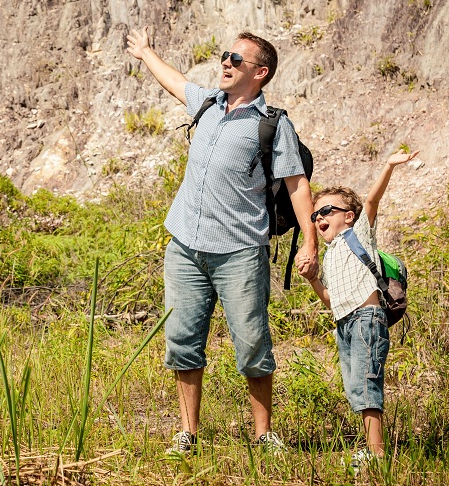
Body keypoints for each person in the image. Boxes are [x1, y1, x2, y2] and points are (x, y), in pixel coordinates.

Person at [126, 26, 319, 455]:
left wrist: (310, 241)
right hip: (185, 248)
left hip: (240, 253)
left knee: (252, 343)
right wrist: (146, 52)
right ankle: (187, 433)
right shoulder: (208, 104)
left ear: (260, 72)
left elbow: (297, 185)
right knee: (182, 339)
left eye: (236, 59)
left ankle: (264, 435)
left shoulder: (273, 126)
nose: (226, 63)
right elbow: (177, 82)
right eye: (225, 56)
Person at [296, 150, 420, 474]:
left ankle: (377, 456)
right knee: (355, 387)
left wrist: (390, 165)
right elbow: (330, 299)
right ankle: (371, 449)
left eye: (326, 211)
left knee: (366, 384)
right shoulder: (330, 256)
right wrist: (312, 278)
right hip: (344, 324)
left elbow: (373, 201)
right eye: (314, 216)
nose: (318, 218)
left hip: (366, 319)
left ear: (348, 216)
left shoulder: (357, 234)